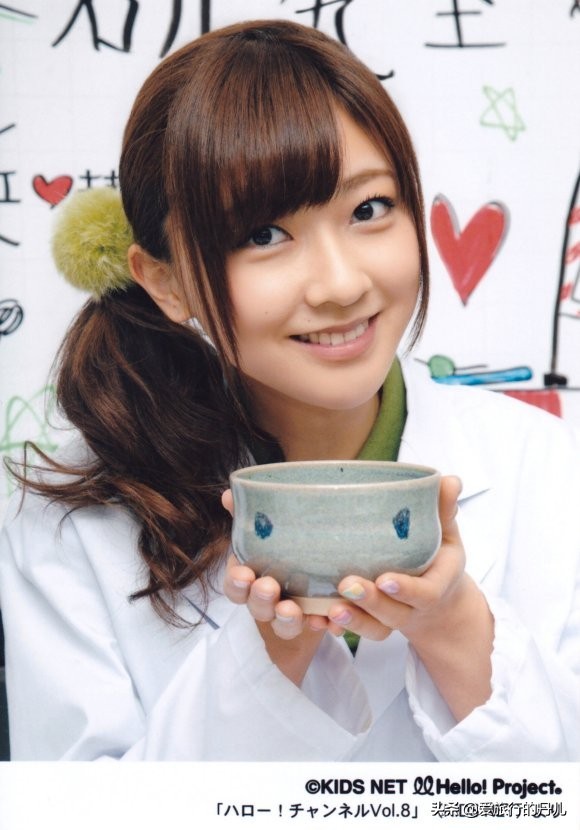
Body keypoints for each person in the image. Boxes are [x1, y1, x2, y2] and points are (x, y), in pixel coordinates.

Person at [0, 19, 578, 762]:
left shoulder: (546, 466)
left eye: (369, 209)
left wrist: (455, 626)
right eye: (263, 235)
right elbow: (75, 809)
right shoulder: (68, 528)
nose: (340, 284)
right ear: (167, 282)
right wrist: (268, 653)